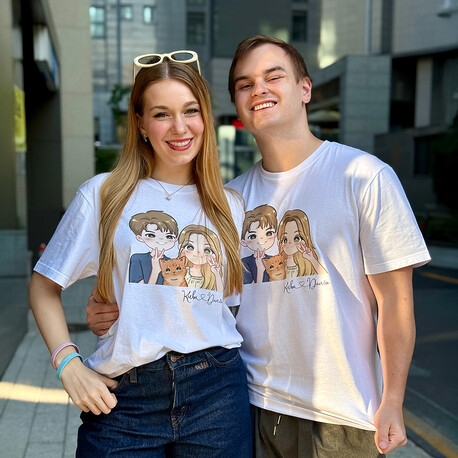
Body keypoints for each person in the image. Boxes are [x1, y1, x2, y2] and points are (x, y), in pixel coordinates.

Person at [87, 36, 431, 457]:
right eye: (245, 84)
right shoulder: (226, 201)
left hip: (342, 415)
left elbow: (396, 301)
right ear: (236, 103)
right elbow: (196, 288)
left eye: (273, 77)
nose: (259, 90)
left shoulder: (363, 176)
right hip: (248, 406)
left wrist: (393, 399)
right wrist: (114, 302)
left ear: (305, 88)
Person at [28, 50, 252, 457]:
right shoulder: (104, 194)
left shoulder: (230, 205)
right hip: (124, 398)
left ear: (205, 116)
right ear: (141, 123)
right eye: (162, 114)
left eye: (190, 110)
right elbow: (43, 287)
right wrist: (67, 364)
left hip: (216, 393)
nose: (180, 127)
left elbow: (229, 305)